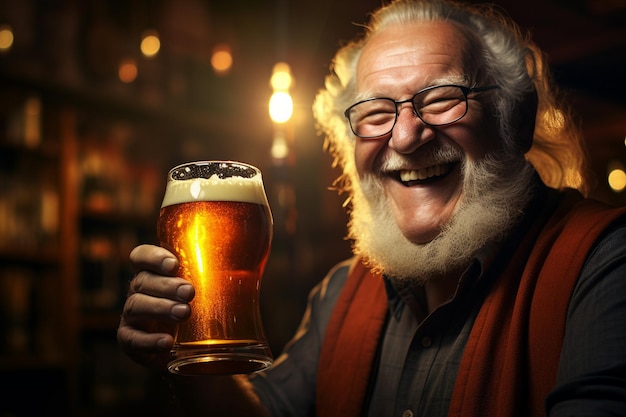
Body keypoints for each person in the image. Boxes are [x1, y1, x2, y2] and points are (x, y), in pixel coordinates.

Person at [117, 0, 626, 416]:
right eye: (377, 112)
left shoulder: (605, 262)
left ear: (514, 119)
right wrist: (181, 356)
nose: (405, 136)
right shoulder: (340, 292)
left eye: (443, 97)